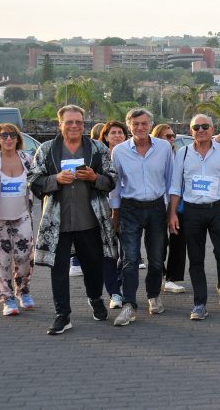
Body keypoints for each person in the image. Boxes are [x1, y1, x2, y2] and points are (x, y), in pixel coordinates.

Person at [29, 105, 118, 335]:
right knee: (58, 270)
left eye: (78, 121)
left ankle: (95, 298)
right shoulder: (47, 149)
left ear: (84, 124)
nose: (74, 126)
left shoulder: (97, 148)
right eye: (69, 122)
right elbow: (33, 179)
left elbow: (112, 179)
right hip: (57, 222)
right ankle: (62, 314)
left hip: (90, 220)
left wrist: (94, 177)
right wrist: (55, 179)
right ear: (60, 124)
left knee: (94, 266)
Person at [168, 114, 220, 320]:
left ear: (213, 129)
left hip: (218, 209)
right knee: (195, 258)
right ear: (191, 130)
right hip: (193, 211)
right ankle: (199, 303)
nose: (201, 130)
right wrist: (172, 213)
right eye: (196, 127)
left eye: (205, 126)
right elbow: (175, 186)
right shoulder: (183, 154)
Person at [109, 109, 174, 327]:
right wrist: (115, 211)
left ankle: (153, 294)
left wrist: (170, 210)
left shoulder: (164, 148)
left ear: (150, 124)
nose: (140, 127)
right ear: (129, 126)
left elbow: (170, 180)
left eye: (144, 123)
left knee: (156, 259)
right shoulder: (119, 151)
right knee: (130, 259)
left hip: (156, 207)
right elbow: (116, 185)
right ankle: (129, 305)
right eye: (135, 124)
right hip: (130, 208)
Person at [0, 123, 35, 316]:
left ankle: (23, 291)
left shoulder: (27, 159)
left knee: (25, 258)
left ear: (18, 138)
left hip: (22, 217)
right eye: (4, 136)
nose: (8, 139)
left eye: (12, 135)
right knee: (1, 261)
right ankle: (8, 299)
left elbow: (38, 183)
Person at [151, 124, 187, 294]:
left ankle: (172, 278)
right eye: (167, 136)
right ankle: (160, 275)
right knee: (159, 243)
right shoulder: (152, 156)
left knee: (178, 241)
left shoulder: (179, 154)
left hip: (177, 204)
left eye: (173, 136)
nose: (171, 139)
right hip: (158, 203)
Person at [98, 120, 128, 310]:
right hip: (103, 209)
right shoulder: (98, 157)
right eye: (113, 133)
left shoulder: (129, 155)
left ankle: (121, 283)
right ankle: (114, 292)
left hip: (127, 209)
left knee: (127, 253)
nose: (117, 136)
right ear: (106, 136)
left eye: (120, 132)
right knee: (108, 251)